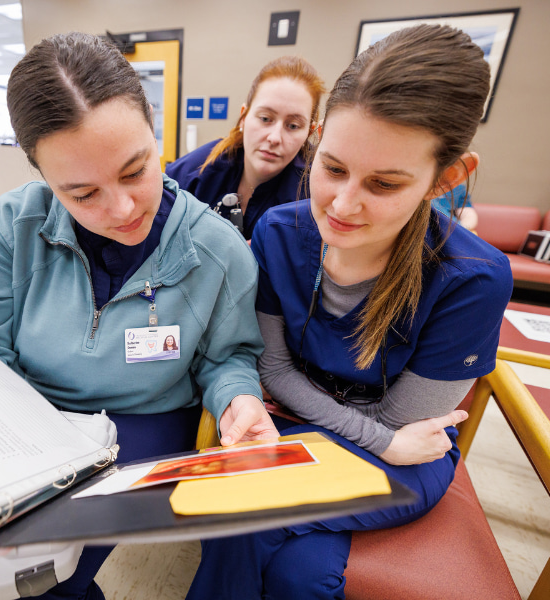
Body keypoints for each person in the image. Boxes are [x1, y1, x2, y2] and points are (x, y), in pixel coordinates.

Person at [0, 32, 277, 600]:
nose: (122, 209)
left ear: (152, 127)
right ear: (41, 174)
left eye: (135, 171)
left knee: (37, 568)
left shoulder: (219, 251)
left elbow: (228, 356)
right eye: (82, 194)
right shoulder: (11, 228)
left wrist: (238, 400)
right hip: (23, 416)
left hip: (140, 421)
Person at [186, 24, 513, 600]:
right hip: (347, 438)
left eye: (384, 183)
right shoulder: (279, 232)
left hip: (406, 460)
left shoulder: (473, 278)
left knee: (238, 508)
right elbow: (275, 371)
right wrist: (382, 441)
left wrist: (383, 444)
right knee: (301, 576)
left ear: (448, 178)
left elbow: (403, 424)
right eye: (331, 168)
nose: (340, 205)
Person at [165, 56, 325, 239]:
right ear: (244, 117)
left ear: (309, 132)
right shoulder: (190, 176)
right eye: (265, 119)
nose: (274, 138)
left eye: (293, 126)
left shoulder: (315, 194)